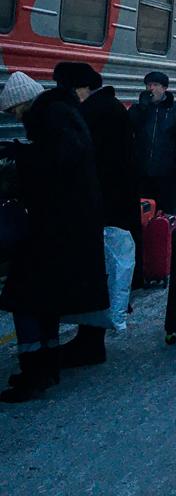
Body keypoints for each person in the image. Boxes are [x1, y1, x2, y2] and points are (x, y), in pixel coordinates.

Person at [0, 72, 109, 403]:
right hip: (63, 225)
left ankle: (36, 374)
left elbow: (60, 159)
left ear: (26, 101)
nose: (16, 119)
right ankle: (43, 369)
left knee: (25, 297)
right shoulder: (57, 112)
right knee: (41, 297)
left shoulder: (53, 115)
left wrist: (21, 155)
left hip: (60, 226)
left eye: (15, 111)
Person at [52, 61, 140, 367]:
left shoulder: (95, 114)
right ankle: (89, 339)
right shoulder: (111, 108)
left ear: (79, 88)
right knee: (102, 271)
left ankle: (90, 343)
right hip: (114, 205)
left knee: (99, 271)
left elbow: (91, 164)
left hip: (103, 207)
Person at [129, 70, 176, 214]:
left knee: (164, 212)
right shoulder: (138, 109)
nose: (150, 88)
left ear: (164, 88)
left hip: (166, 173)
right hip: (142, 172)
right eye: (148, 85)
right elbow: (128, 132)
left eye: (155, 85)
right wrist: (141, 110)